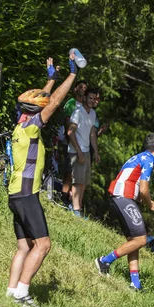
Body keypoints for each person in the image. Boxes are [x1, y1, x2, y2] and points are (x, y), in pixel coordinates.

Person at [7, 54, 78, 307]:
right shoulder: (33, 127)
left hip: (15, 194)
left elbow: (41, 99)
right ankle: (23, 294)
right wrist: (72, 75)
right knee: (43, 245)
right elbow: (55, 101)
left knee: (24, 246)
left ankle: (11, 292)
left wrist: (50, 79)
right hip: (27, 194)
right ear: (36, 111)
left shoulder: (21, 124)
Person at [94, 133, 154, 290]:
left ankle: (135, 283)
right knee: (141, 240)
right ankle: (104, 261)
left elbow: (134, 185)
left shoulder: (140, 157)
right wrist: (151, 206)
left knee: (134, 242)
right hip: (123, 199)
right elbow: (143, 188)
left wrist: (148, 201)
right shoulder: (148, 159)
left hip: (120, 198)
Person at [67, 88, 100, 217]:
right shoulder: (77, 112)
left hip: (86, 150)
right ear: (85, 98)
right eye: (90, 98)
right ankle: (75, 208)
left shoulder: (92, 114)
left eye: (94, 98)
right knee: (77, 180)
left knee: (84, 182)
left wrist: (95, 151)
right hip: (77, 150)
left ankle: (78, 207)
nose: (92, 101)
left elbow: (92, 133)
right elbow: (70, 131)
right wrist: (78, 151)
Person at [60, 79, 88, 205]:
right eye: (81, 87)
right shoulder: (71, 104)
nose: (83, 89)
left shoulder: (87, 107)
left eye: (85, 87)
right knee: (69, 171)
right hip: (70, 142)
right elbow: (67, 123)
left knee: (79, 174)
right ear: (75, 89)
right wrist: (69, 138)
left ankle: (75, 200)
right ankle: (64, 196)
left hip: (82, 144)